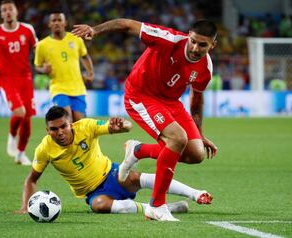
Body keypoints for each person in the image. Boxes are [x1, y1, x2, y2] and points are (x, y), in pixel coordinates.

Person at [72, 18, 218, 221]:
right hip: (141, 96)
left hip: (171, 102)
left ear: (212, 45)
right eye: (193, 41)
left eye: (203, 44)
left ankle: (138, 150)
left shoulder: (205, 68)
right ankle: (156, 205)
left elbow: (197, 100)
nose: (195, 48)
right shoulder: (168, 39)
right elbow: (126, 24)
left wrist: (200, 134)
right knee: (177, 139)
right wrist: (94, 29)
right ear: (188, 36)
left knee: (196, 154)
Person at [15, 106, 212, 218]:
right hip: (93, 193)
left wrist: (122, 125)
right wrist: (25, 206)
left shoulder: (86, 126)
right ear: (47, 130)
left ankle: (195, 193)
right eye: (53, 129)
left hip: (112, 174)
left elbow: (127, 126)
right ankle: (162, 208)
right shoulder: (44, 149)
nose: (59, 132)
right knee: (99, 206)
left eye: (63, 127)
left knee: (135, 177)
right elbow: (31, 179)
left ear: (70, 123)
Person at [0, 0, 38, 165]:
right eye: (4, 10)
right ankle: (12, 136)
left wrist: (43, 63)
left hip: (26, 78)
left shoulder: (28, 29)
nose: (7, 12)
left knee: (27, 119)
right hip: (6, 78)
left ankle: (20, 154)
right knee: (20, 112)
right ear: (1, 14)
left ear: (16, 12)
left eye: (10, 9)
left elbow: (37, 47)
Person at [34, 11, 94, 122]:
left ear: (65, 23)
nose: (56, 23)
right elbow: (37, 66)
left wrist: (90, 73)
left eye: (59, 20)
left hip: (78, 87)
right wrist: (43, 69)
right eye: (53, 20)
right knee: (66, 120)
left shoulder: (76, 39)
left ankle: (81, 140)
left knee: (79, 123)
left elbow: (85, 56)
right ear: (49, 24)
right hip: (58, 88)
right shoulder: (42, 45)